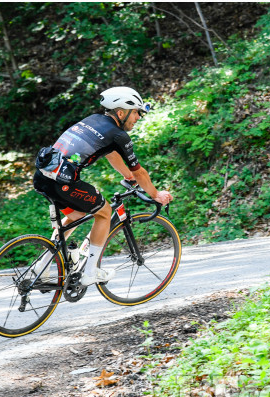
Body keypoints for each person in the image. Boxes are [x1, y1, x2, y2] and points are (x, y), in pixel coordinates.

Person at [33, 86, 173, 285]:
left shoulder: (93, 120)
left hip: (42, 177)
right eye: (135, 112)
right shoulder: (118, 135)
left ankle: (42, 266)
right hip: (62, 183)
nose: (138, 117)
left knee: (75, 216)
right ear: (121, 112)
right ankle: (91, 272)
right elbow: (139, 172)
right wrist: (156, 194)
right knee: (105, 212)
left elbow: (111, 154)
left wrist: (127, 176)